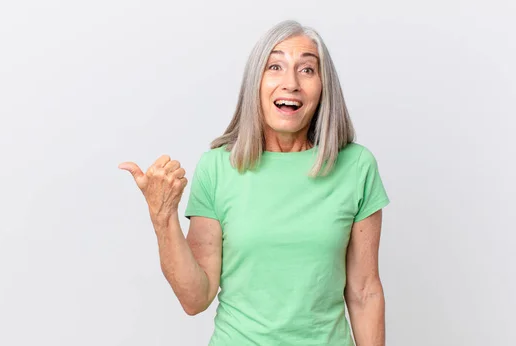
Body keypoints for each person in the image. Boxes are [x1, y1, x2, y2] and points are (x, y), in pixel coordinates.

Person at [119, 19, 390, 346]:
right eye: (275, 66)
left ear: (323, 87)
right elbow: (196, 298)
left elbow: (364, 292)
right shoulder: (218, 167)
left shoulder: (356, 167)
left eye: (306, 70)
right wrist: (162, 219)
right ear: (255, 83)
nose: (290, 83)